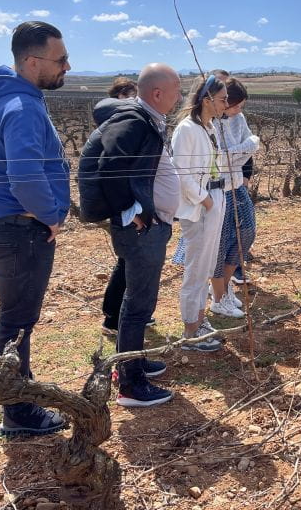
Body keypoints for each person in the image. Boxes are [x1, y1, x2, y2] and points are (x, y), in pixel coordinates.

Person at [0, 21, 71, 436]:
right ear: (32, 62)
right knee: (17, 321)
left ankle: (18, 392)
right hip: (19, 229)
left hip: (1, 223)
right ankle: (17, 411)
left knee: (14, 318)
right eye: (60, 59)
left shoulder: (3, 99)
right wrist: (50, 214)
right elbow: (26, 177)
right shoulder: (23, 108)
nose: (68, 66)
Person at [79, 63, 182, 407]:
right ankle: (130, 384)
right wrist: (132, 209)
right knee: (138, 305)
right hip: (141, 231)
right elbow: (110, 165)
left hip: (150, 228)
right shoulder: (135, 120)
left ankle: (133, 361)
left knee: (139, 301)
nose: (181, 96)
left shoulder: (145, 119)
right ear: (157, 93)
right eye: (177, 90)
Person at [89, 77, 151, 338]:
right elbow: (113, 170)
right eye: (132, 96)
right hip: (124, 204)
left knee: (128, 262)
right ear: (121, 96)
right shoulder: (120, 124)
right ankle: (115, 318)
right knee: (128, 262)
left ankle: (121, 314)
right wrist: (128, 208)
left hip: (129, 203)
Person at [171, 75, 229, 351]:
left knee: (207, 265)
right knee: (196, 268)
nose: (226, 104)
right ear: (206, 99)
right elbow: (180, 172)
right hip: (200, 207)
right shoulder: (187, 129)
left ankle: (199, 319)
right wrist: (205, 199)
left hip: (215, 199)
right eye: (222, 99)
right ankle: (190, 330)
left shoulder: (209, 128)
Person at [207, 78, 260, 317]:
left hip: (237, 185)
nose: (239, 110)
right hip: (218, 190)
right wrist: (242, 150)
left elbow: (253, 143)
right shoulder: (210, 124)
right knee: (220, 243)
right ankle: (218, 297)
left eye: (241, 105)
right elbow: (219, 160)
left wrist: (237, 154)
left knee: (246, 233)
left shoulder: (239, 119)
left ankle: (226, 287)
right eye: (236, 105)